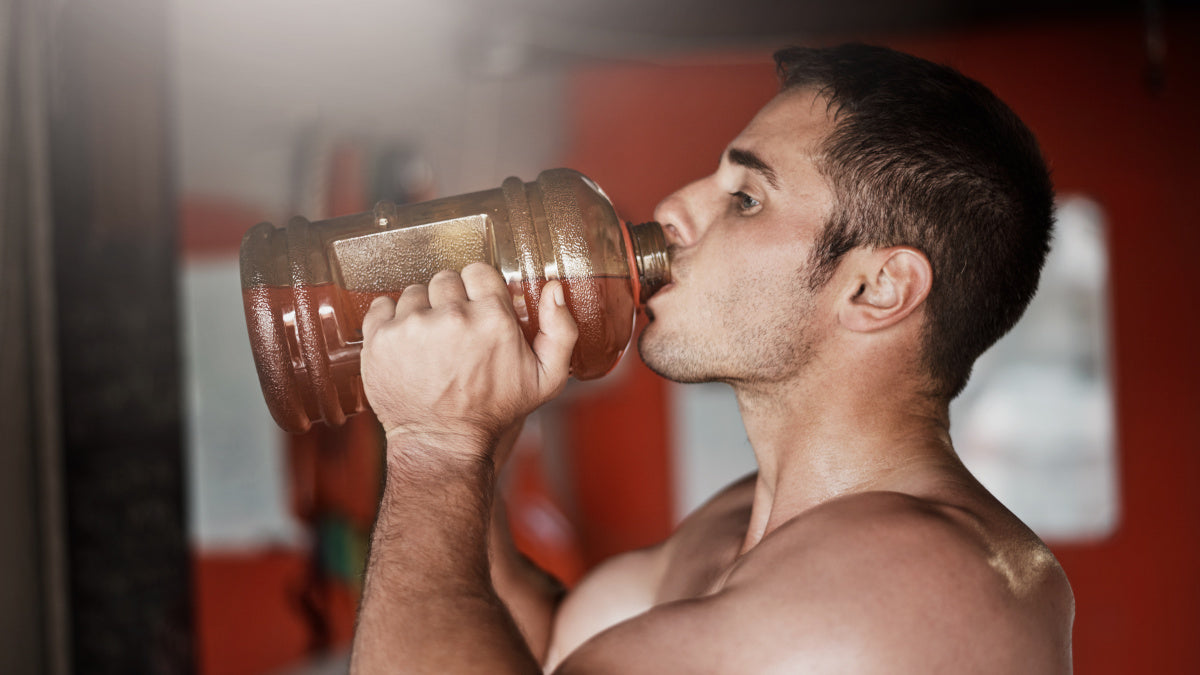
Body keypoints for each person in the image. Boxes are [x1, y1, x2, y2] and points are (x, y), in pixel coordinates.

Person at [348, 44, 1075, 674]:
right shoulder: (744, 520)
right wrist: (476, 448)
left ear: (876, 287)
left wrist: (434, 450)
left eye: (747, 198)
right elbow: (548, 649)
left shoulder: (929, 579)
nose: (673, 209)